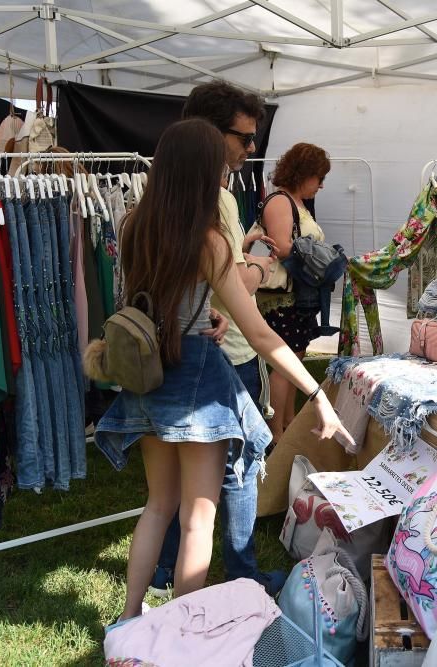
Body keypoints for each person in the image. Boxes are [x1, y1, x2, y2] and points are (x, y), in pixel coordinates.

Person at [89, 118, 355, 623]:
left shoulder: (133, 224)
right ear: (204, 172)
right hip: (195, 383)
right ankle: (180, 630)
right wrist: (316, 394)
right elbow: (258, 333)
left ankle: (129, 620)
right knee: (198, 517)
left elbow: (148, 298)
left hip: (150, 374)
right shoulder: (208, 241)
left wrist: (198, 313)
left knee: (158, 505)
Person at [145, 81, 286, 598]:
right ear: (209, 137)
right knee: (218, 494)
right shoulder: (214, 206)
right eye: (244, 139)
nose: (250, 150)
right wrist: (257, 266)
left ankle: (143, 606)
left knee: (167, 500)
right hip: (212, 364)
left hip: (165, 363)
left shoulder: (143, 215)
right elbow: (248, 315)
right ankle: (212, 598)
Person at [258, 143, 331, 442]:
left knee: (294, 359)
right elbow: (282, 246)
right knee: (283, 363)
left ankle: (285, 424)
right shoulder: (280, 201)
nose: (322, 185)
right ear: (304, 174)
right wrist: (321, 255)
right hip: (282, 295)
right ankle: (276, 433)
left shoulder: (295, 202)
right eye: (319, 177)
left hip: (296, 293)